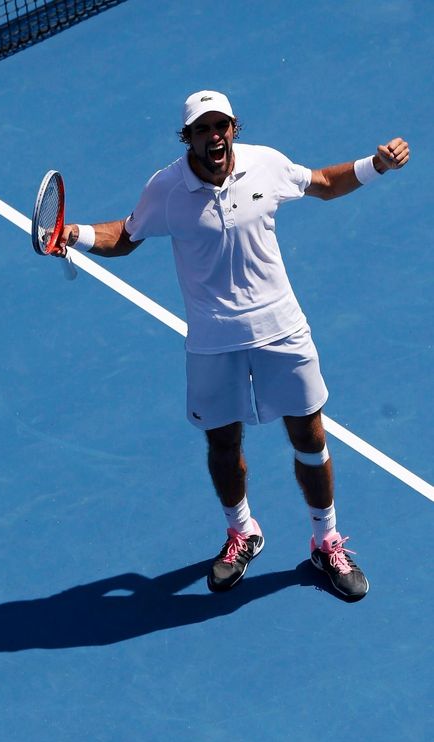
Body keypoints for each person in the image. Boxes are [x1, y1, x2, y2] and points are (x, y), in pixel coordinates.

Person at [52, 90, 409, 601]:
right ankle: (242, 531)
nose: (214, 136)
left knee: (309, 436)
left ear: (233, 129)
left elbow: (325, 184)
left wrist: (375, 165)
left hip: (283, 330)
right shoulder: (166, 189)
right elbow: (126, 236)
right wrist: (77, 233)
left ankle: (326, 539)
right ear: (188, 139)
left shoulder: (266, 165)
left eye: (222, 126)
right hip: (213, 342)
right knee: (223, 444)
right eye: (203, 129)